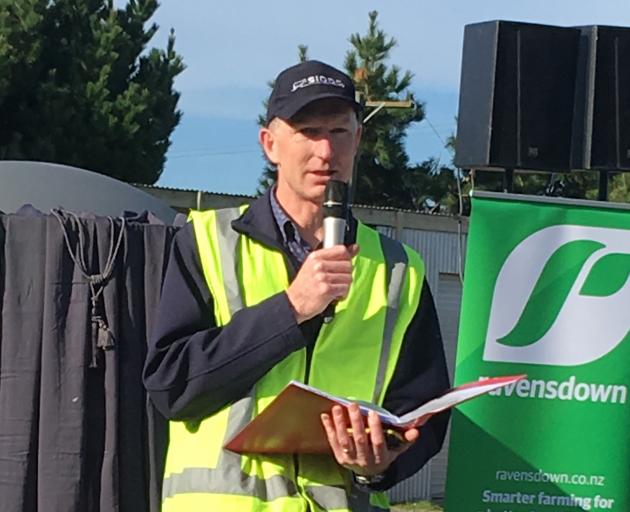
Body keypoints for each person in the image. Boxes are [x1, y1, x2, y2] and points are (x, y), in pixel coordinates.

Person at [143, 60, 450, 512]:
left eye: (339, 132)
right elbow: (172, 386)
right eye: (308, 131)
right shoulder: (206, 240)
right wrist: (290, 308)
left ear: (358, 139)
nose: (326, 151)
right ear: (270, 144)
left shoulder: (400, 269)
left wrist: (379, 463)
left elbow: (423, 413)